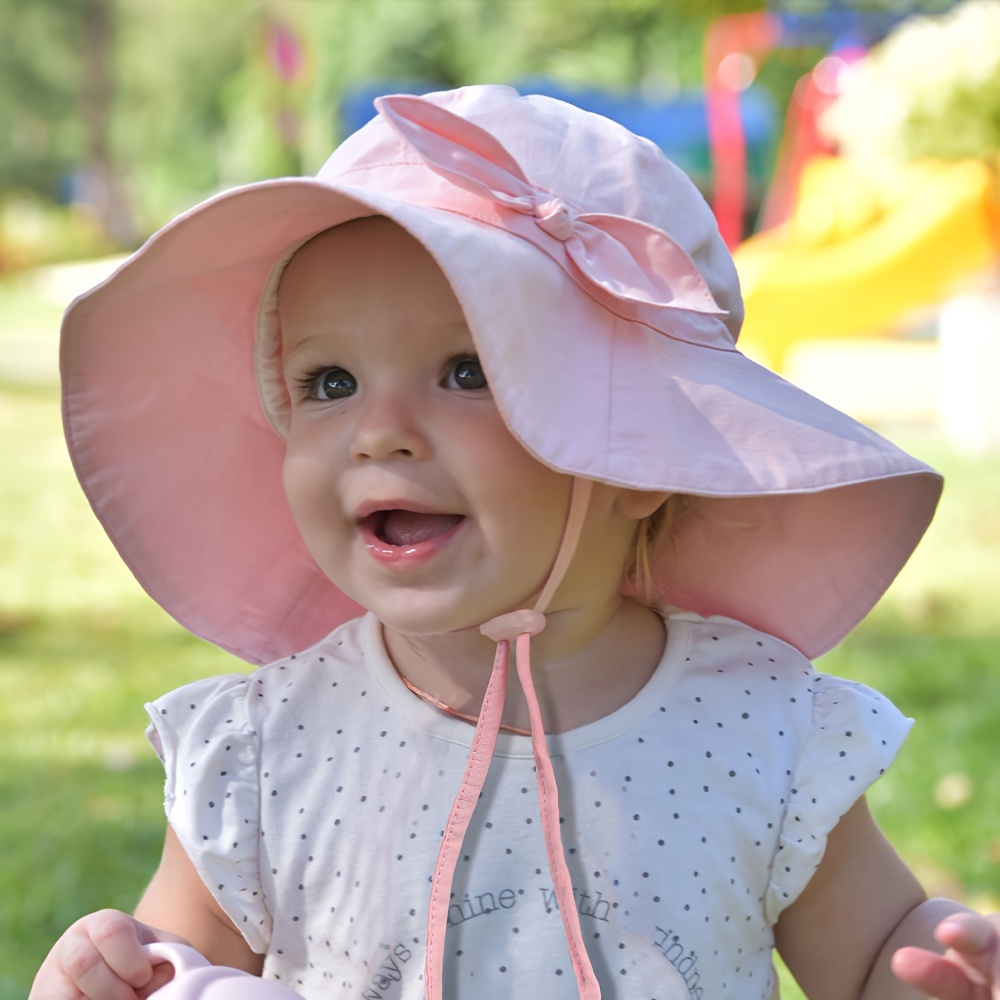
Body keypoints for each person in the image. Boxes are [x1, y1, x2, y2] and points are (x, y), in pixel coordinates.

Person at [31, 85, 1000, 1000]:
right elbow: (170, 969)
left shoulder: (758, 727)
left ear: (633, 453)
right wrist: (108, 975)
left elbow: (874, 949)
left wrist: (933, 969)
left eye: (465, 370)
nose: (380, 430)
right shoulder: (261, 751)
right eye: (330, 382)